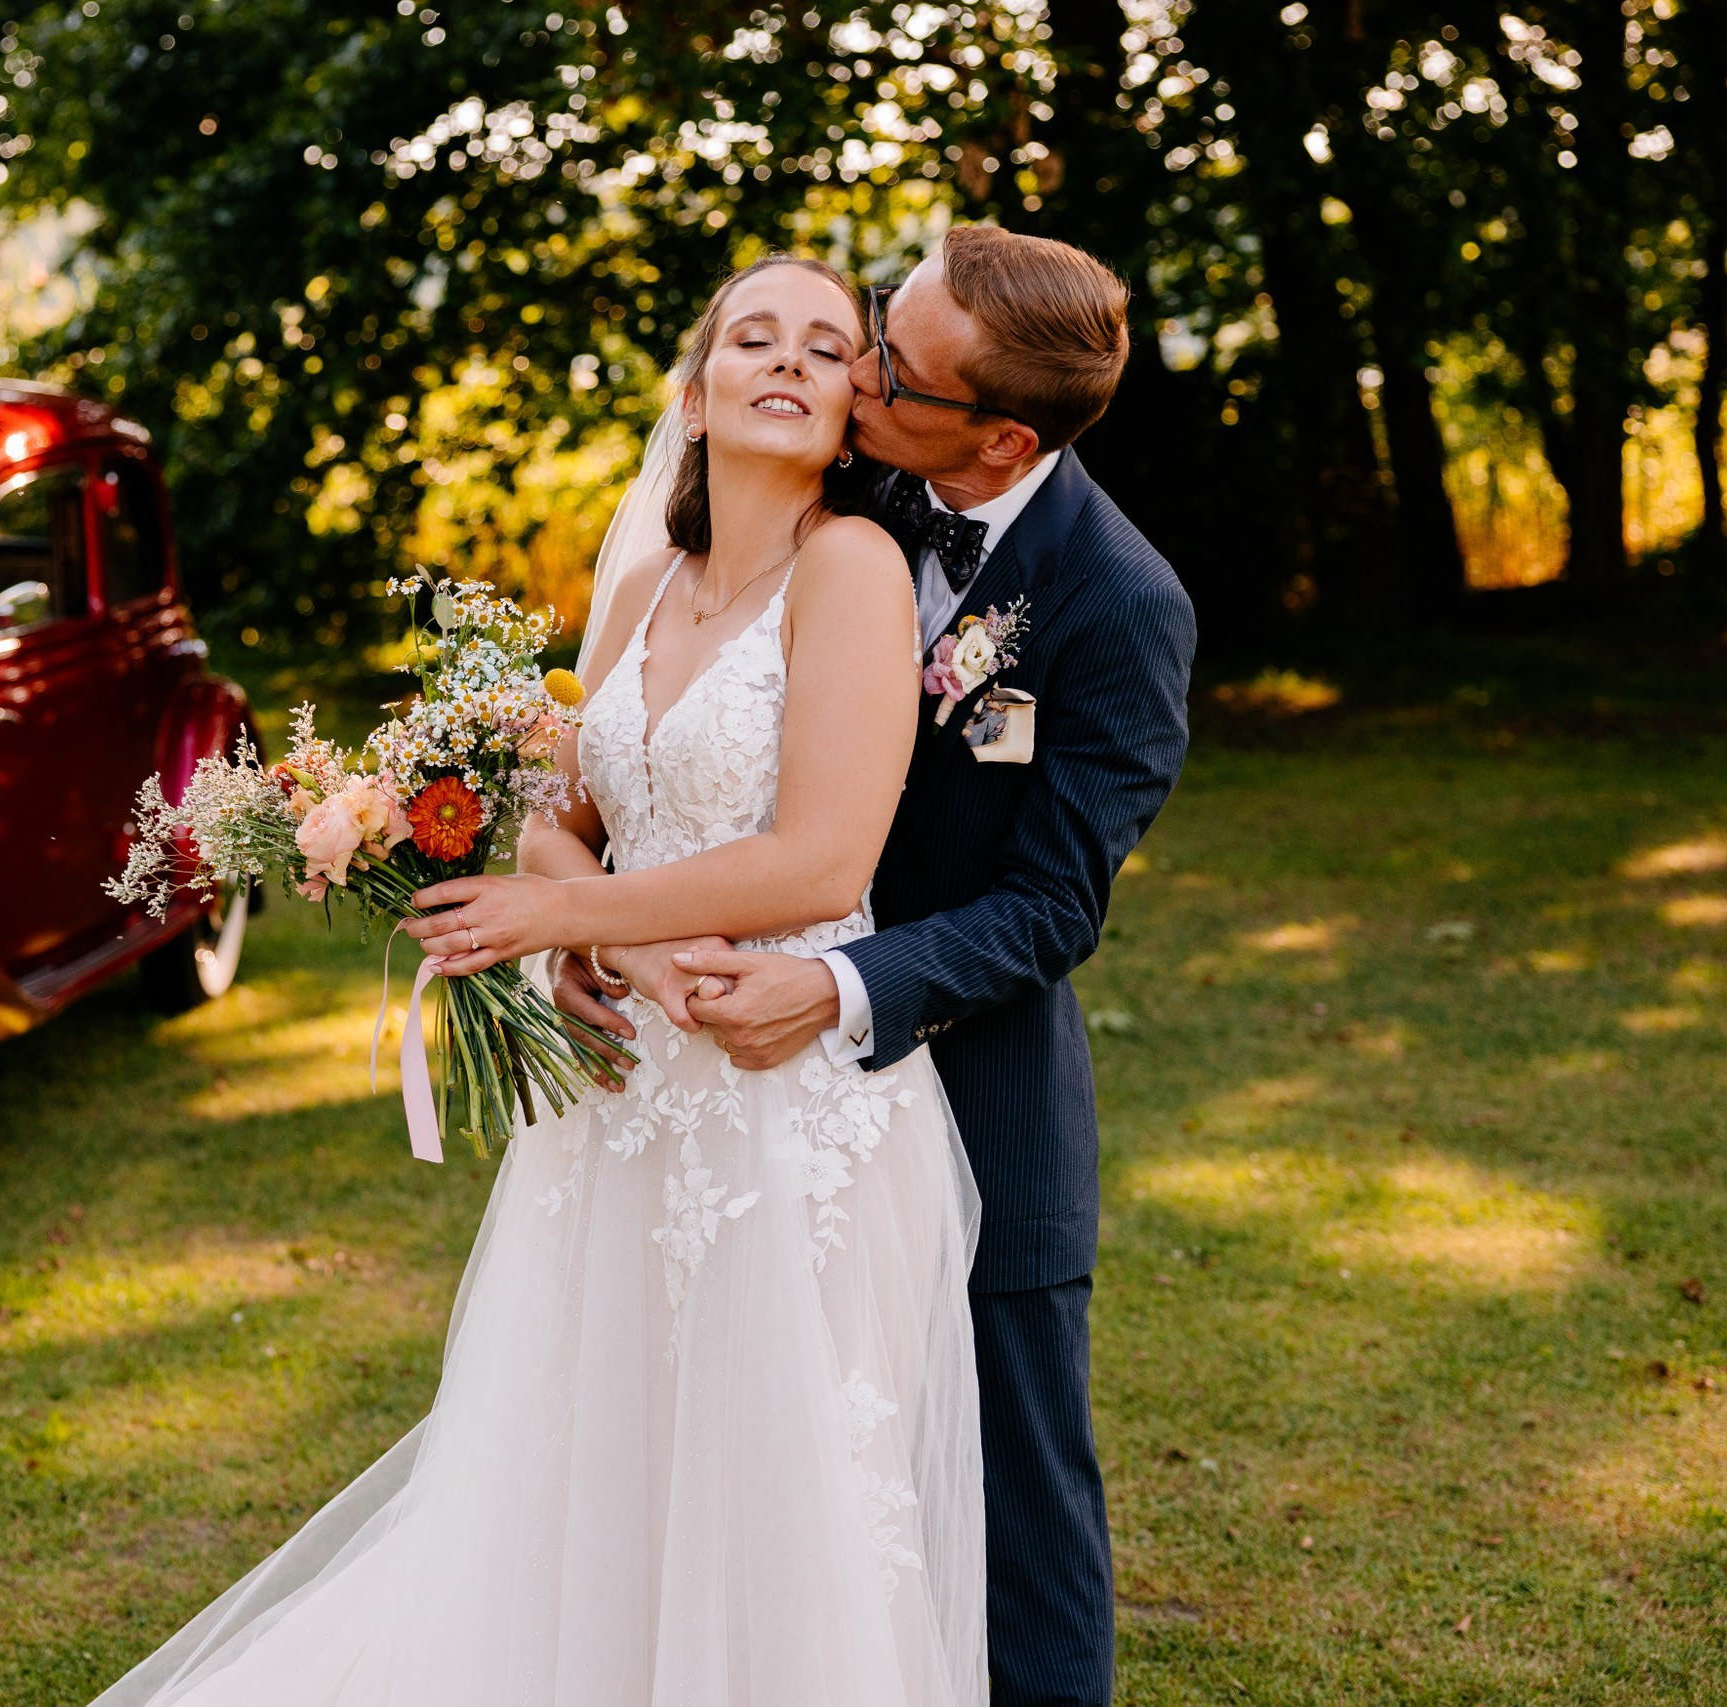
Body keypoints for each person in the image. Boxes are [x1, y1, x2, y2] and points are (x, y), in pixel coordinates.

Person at [94, 253, 990, 1706]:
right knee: (599, 1459)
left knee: (774, 1482)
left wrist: (561, 914)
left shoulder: (854, 570)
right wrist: (598, 940)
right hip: (628, 1084)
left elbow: (825, 863)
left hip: (782, 1093)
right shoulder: (644, 580)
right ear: (695, 393)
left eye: (827, 351)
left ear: (849, 412)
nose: (786, 361)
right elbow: (554, 819)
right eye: (749, 337)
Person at [551, 226, 1197, 1707]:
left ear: (1001, 435)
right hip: (717, 1076)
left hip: (966, 1074)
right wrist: (614, 916)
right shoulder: (856, 478)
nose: (854, 378)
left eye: (885, 365)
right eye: (870, 336)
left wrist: (839, 986)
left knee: (1011, 1489)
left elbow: (1051, 906)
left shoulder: (1116, 604)